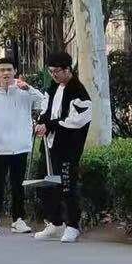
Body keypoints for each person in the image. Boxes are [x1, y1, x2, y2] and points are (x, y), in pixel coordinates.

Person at [0, 58, 46, 236]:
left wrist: (29, 88)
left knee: (18, 186)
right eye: (2, 70)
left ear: (15, 71)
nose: (6, 73)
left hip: (20, 146)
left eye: (9, 69)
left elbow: (44, 103)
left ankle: (18, 219)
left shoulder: (25, 93)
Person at [35, 51, 92, 244]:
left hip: (68, 148)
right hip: (49, 145)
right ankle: (55, 222)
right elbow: (45, 111)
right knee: (46, 185)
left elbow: (75, 121)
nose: (53, 75)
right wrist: (41, 123)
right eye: (50, 71)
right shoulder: (52, 88)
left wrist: (50, 125)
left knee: (67, 186)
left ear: (68, 69)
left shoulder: (79, 92)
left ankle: (72, 225)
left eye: (56, 71)